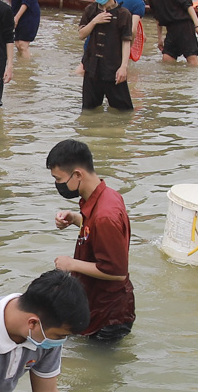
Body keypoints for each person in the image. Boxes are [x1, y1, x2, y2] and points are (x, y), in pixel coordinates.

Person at [47, 140, 134, 342]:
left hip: (108, 316)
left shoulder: (105, 215)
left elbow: (117, 272)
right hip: (96, 303)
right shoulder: (105, 196)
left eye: (59, 179)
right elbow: (99, 232)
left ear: (77, 174)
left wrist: (71, 264)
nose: (58, 185)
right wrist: (76, 219)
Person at [78, 0, 134, 112]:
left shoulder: (123, 14)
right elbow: (81, 34)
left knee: (124, 110)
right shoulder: (90, 10)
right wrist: (95, 21)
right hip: (92, 67)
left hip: (113, 68)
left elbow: (126, 42)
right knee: (88, 110)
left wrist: (123, 67)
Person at [147, 0, 198, 65]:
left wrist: (197, 25)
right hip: (171, 29)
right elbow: (157, 18)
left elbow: (188, 4)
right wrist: (159, 38)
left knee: (191, 58)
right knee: (167, 58)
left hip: (184, 26)